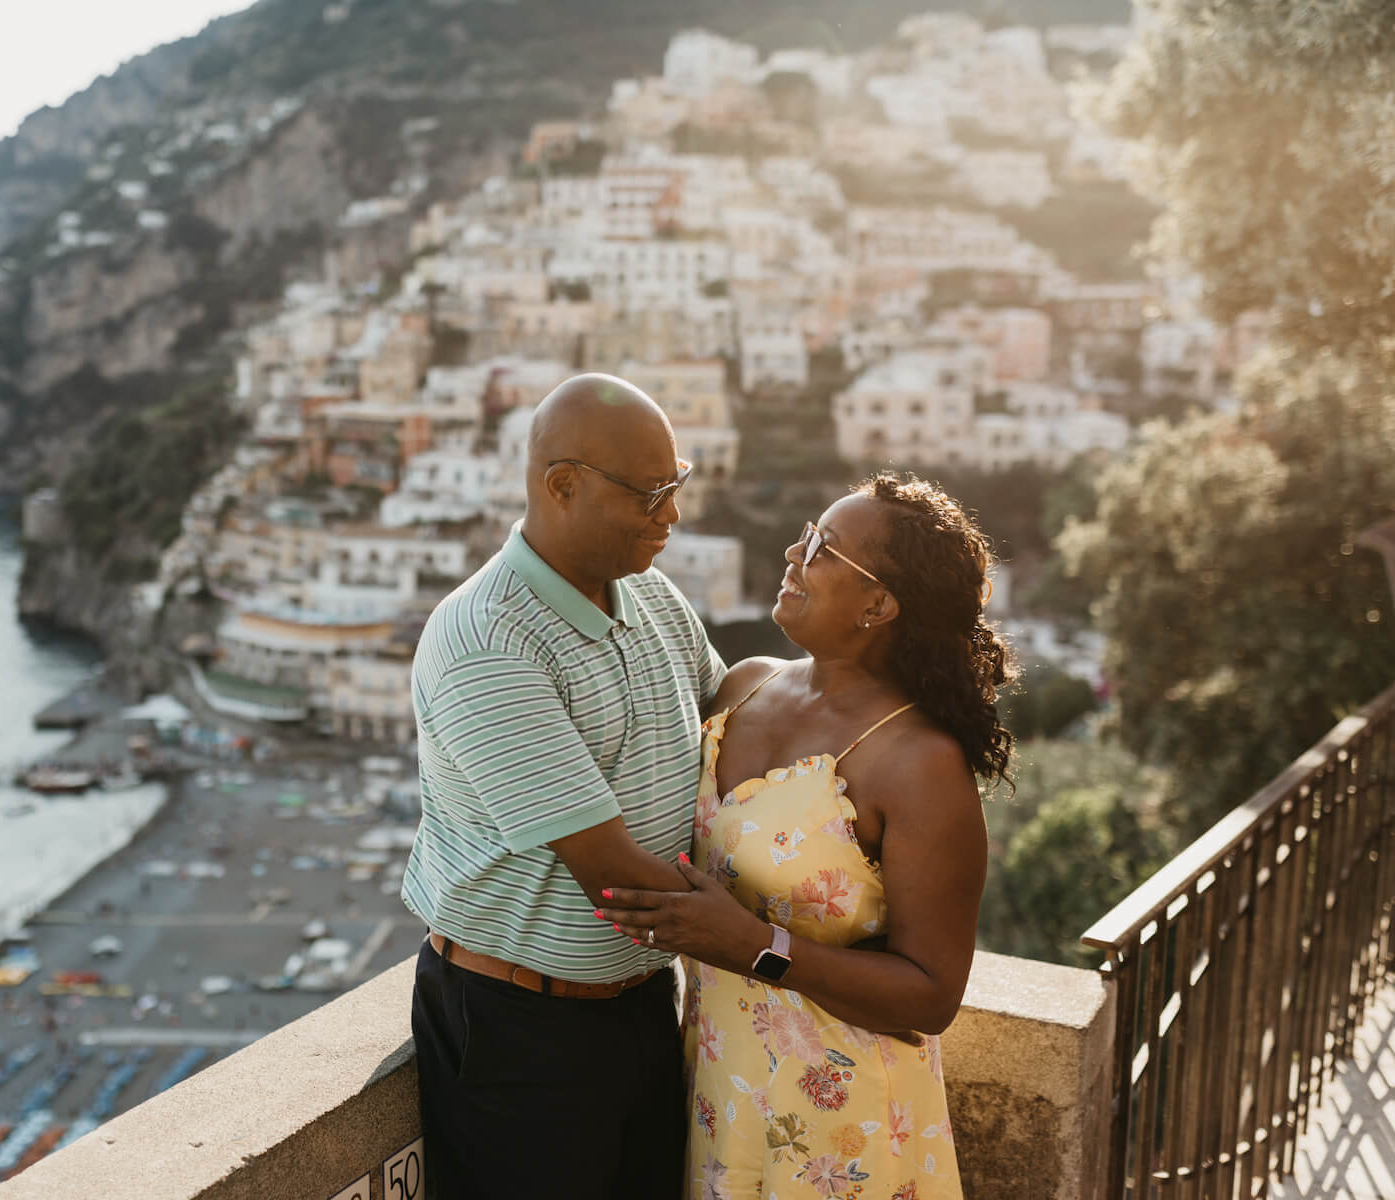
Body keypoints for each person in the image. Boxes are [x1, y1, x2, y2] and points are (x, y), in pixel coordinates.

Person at [596, 474, 1013, 1199]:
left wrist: (753, 945)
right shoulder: (744, 686)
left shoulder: (919, 764)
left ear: (878, 605)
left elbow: (931, 995)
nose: (795, 552)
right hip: (720, 1094)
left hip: (843, 1131)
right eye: (806, 532)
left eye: (823, 547)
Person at [401, 373, 726, 1199]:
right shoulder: (486, 638)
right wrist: (799, 950)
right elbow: (614, 880)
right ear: (562, 485)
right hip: (520, 1030)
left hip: (641, 1001)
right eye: (650, 495)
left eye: (676, 485)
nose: (672, 516)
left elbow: (729, 728)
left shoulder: (651, 594)